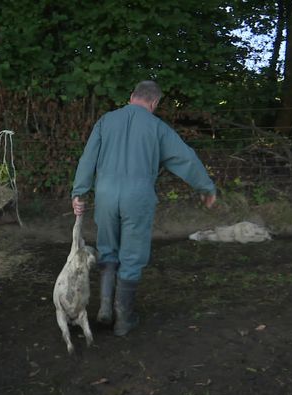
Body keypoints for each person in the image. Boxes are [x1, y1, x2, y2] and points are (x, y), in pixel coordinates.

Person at [71, 80, 216, 337]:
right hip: (137, 198)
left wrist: (79, 192)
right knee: (132, 255)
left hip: (105, 196)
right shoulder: (158, 127)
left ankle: (104, 309)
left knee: (107, 249)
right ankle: (123, 320)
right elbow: (185, 158)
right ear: (155, 102)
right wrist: (205, 188)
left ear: (131, 96)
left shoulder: (106, 121)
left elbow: (88, 158)